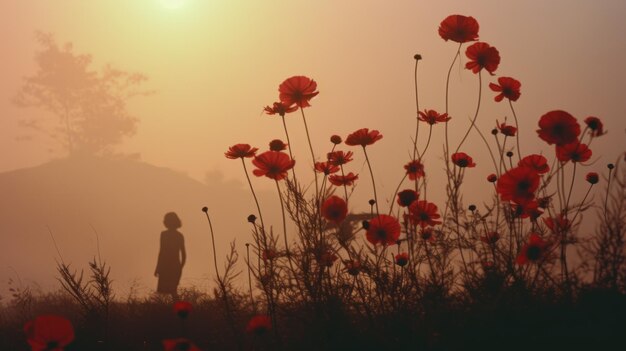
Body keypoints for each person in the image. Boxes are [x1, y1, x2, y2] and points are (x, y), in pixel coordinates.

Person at [154, 212, 186, 298]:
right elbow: (183, 254)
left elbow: (162, 252)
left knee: (170, 291)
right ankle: (173, 309)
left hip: (169, 266)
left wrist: (158, 268)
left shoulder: (165, 235)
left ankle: (176, 309)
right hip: (171, 266)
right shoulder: (178, 236)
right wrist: (180, 267)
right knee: (170, 291)